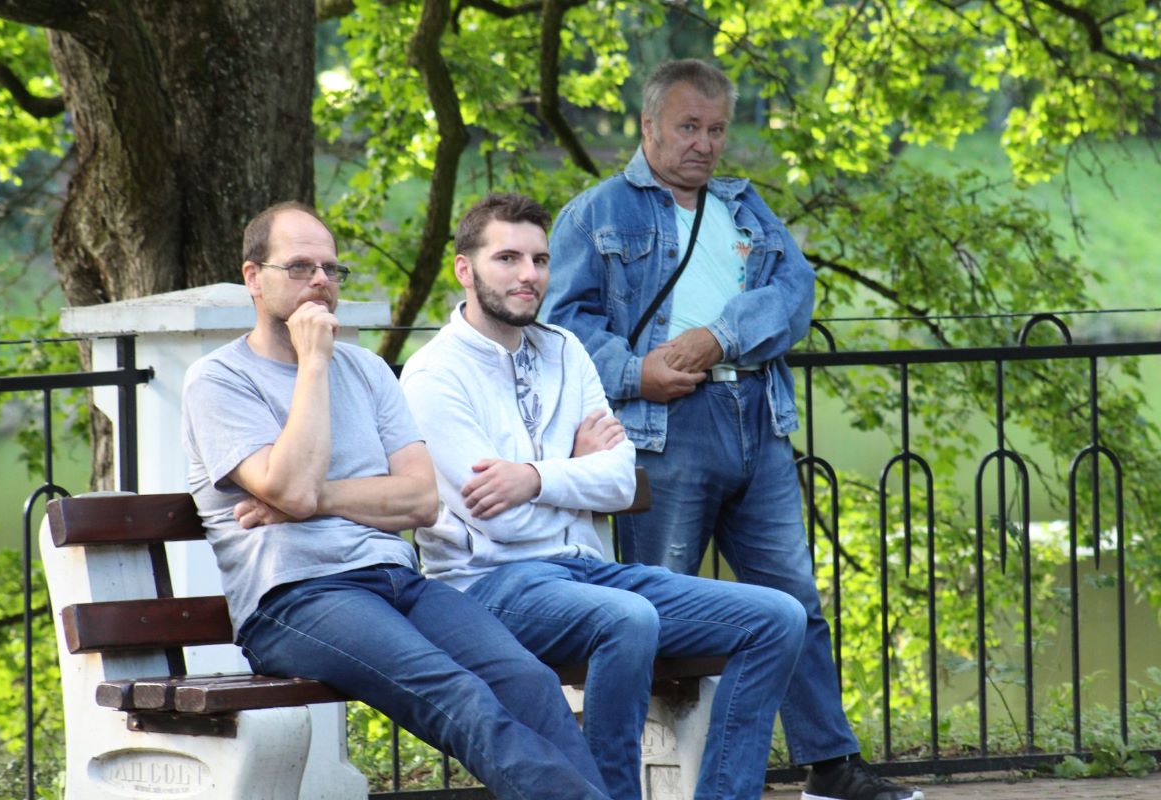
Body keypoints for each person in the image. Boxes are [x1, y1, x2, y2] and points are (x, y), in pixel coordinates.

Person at [543, 60, 925, 800]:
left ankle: (830, 766)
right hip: (664, 427)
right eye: (688, 126)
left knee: (794, 597)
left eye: (716, 129)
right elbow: (564, 328)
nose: (705, 144)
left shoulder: (744, 206)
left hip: (758, 416)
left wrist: (720, 335)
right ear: (648, 125)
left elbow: (795, 292)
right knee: (658, 603)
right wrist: (637, 373)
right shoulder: (595, 214)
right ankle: (648, 772)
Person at [180, 201, 612, 800]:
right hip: (297, 598)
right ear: (254, 277)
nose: (321, 282)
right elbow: (291, 487)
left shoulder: (369, 371)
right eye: (300, 267)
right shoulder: (219, 379)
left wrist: (313, 500)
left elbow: (420, 500)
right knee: (459, 697)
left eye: (331, 269)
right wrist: (313, 364)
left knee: (527, 680)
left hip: (397, 582)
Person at [400, 192, 808, 800]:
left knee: (778, 618)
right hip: (490, 586)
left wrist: (535, 477)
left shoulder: (565, 350)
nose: (528, 275)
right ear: (465, 268)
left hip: (588, 573)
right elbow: (501, 522)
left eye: (539, 260)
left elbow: (619, 479)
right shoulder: (434, 375)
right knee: (627, 619)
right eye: (507, 258)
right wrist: (574, 468)